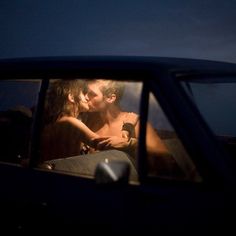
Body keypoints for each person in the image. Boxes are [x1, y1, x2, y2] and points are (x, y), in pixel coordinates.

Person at [82, 79, 183, 177]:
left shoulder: (135, 123)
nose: (85, 97)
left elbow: (169, 163)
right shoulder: (88, 120)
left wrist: (130, 144)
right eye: (86, 92)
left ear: (110, 98)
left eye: (92, 94)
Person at [40, 79, 133, 163]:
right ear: (72, 97)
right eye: (83, 93)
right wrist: (129, 132)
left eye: (91, 94)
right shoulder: (68, 122)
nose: (87, 97)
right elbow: (100, 143)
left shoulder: (61, 120)